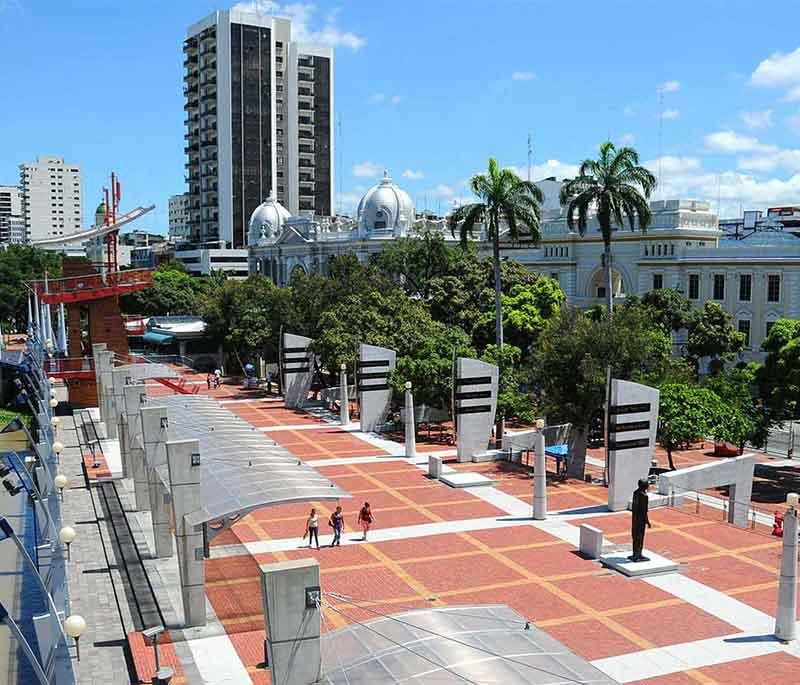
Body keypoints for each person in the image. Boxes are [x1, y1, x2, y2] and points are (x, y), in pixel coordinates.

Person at [630, 479, 652, 562]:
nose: (648, 485)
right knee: (640, 537)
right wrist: (647, 521)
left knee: (635, 536)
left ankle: (635, 554)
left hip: (634, 518)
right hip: (640, 519)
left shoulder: (635, 493)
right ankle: (638, 555)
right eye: (647, 484)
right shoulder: (644, 496)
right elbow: (644, 510)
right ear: (644, 486)